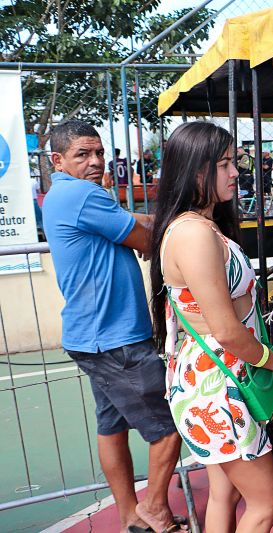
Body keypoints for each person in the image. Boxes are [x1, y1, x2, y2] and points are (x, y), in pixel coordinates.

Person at [150, 122, 273, 532]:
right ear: (196, 171)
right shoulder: (195, 233)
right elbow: (228, 331)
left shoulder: (198, 226)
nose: (236, 172)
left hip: (214, 382)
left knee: (225, 494)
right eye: (225, 164)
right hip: (218, 386)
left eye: (235, 161)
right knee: (268, 502)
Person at [42, 120, 184, 533]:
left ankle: (128, 515)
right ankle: (155, 510)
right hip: (115, 339)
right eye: (82, 155)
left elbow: (128, 219)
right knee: (169, 428)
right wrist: (186, 224)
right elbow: (143, 239)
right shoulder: (83, 195)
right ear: (58, 161)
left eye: (99, 153)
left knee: (112, 426)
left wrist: (144, 223)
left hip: (93, 337)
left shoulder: (65, 196)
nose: (95, 162)